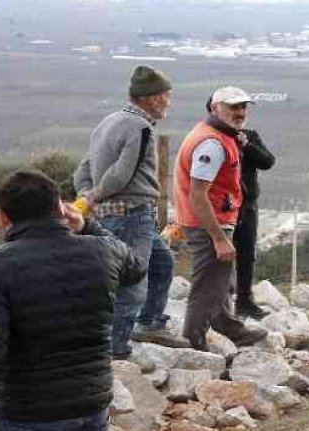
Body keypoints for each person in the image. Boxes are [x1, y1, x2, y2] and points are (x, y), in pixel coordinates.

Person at [0, 171, 146, 431]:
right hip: (91, 409)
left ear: (3, 217)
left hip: (23, 415)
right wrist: (87, 226)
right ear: (60, 207)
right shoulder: (104, 251)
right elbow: (136, 269)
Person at [73, 65, 189, 357]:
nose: (169, 102)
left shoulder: (109, 121)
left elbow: (83, 169)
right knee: (132, 282)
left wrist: (86, 195)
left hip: (120, 214)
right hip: (132, 214)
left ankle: (149, 322)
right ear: (150, 98)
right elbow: (122, 174)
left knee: (162, 265)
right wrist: (93, 197)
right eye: (166, 95)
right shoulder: (140, 128)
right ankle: (117, 351)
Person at [173, 87, 268, 351]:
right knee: (208, 287)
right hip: (207, 223)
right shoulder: (211, 144)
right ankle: (193, 343)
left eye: (243, 107)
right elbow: (198, 195)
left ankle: (230, 328)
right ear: (215, 108)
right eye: (233, 107)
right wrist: (218, 237)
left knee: (222, 280)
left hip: (215, 220)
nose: (240, 112)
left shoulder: (218, 135)